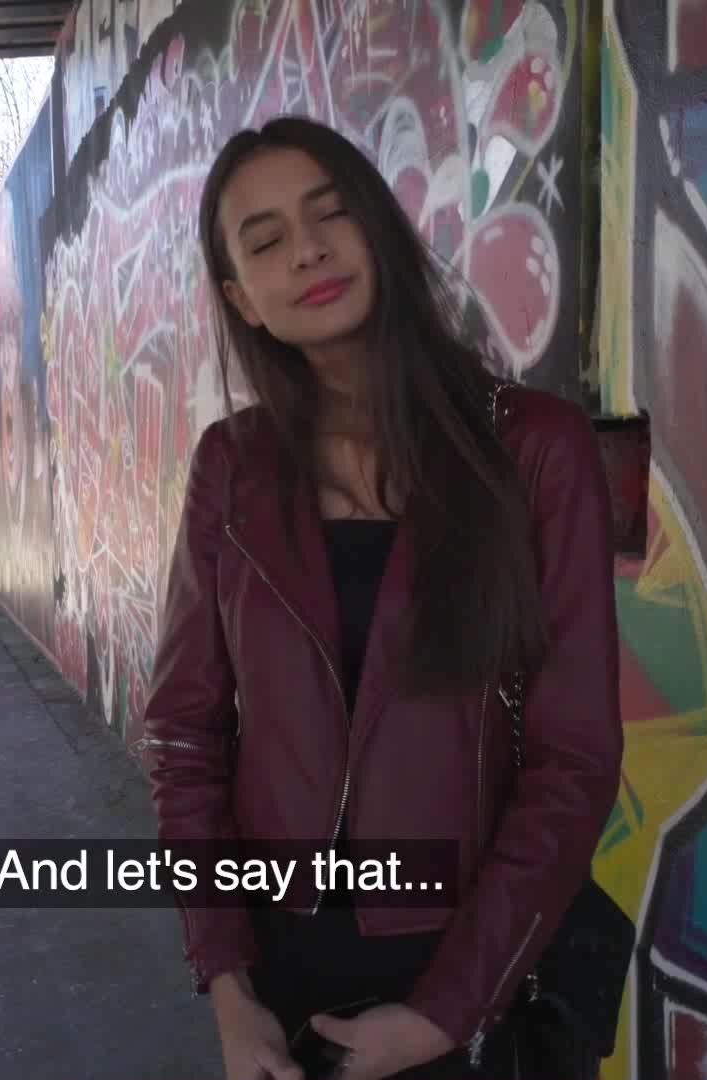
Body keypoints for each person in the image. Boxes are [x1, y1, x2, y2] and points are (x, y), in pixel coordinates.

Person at [132, 114, 623, 1080]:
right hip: (283, 982)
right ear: (242, 299)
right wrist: (228, 988)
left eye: (331, 214)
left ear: (381, 230)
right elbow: (185, 737)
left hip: (475, 971)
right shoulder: (231, 467)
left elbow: (574, 760)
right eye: (265, 241)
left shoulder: (535, 448)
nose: (307, 249)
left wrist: (444, 1014)